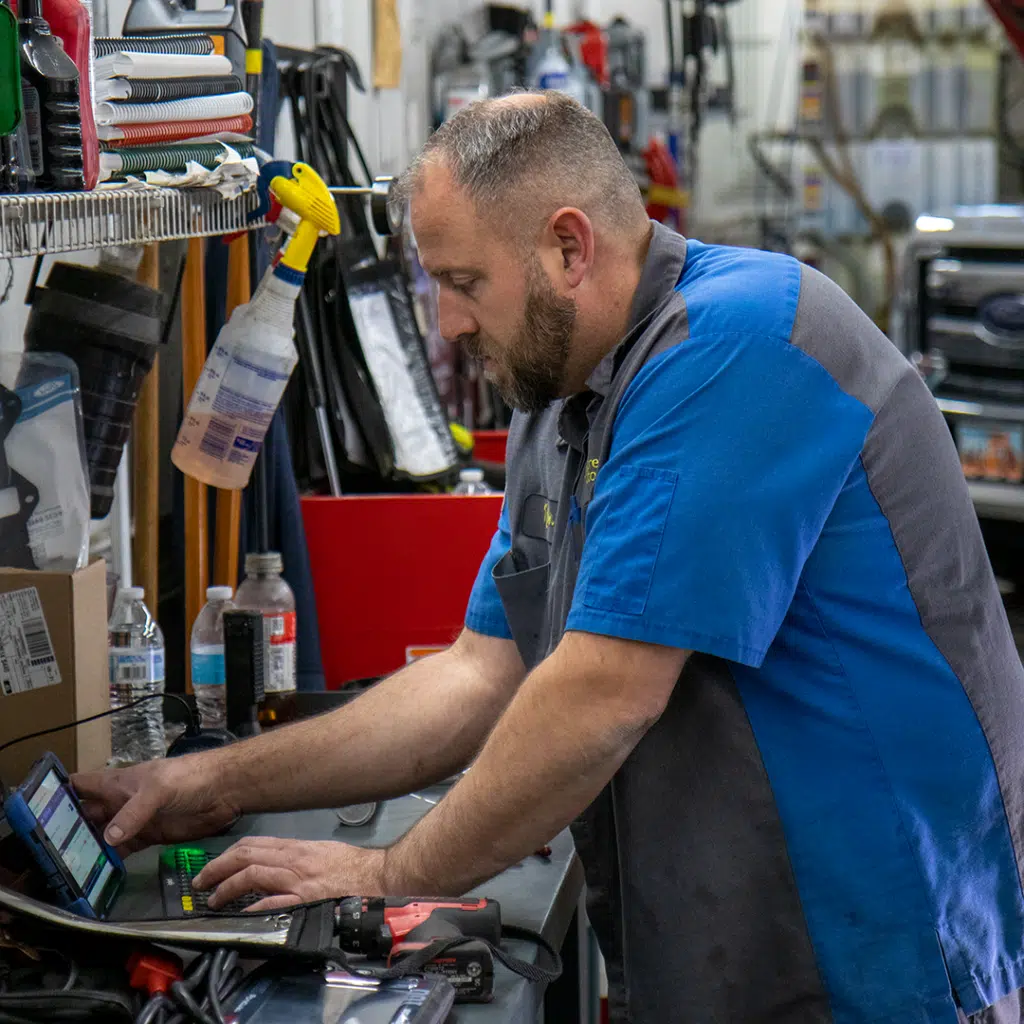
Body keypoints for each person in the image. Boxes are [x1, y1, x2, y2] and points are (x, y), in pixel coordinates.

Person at [75, 92, 1024, 1023]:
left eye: (463, 282)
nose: (446, 323)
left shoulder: (738, 344)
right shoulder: (562, 396)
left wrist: (387, 874)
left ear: (569, 247)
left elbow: (602, 691)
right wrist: (208, 782)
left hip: (876, 952)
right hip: (729, 944)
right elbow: (479, 672)